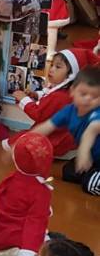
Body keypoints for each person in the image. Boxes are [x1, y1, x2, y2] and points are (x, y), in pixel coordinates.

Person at [5, 49, 93, 158]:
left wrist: (23, 99)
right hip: (64, 134)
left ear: (71, 75)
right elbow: (48, 95)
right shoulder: (66, 91)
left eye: (58, 67)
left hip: (56, 137)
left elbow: (39, 114)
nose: (51, 69)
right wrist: (35, 95)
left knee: (19, 142)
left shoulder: (60, 97)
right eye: (52, 65)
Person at [0, 133, 54, 256]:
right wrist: (29, 255)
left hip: (2, 234)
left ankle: (8, 251)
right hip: (22, 238)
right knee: (58, 247)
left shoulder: (12, 179)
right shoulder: (40, 192)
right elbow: (35, 223)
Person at [34, 66, 100, 196]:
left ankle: (92, 175)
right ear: (72, 91)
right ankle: (91, 172)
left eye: (95, 96)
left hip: (95, 157)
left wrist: (83, 151)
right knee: (68, 172)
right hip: (93, 158)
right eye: (83, 94)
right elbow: (46, 126)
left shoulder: (97, 113)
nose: (88, 99)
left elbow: (91, 131)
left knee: (90, 185)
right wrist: (23, 141)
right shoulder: (68, 111)